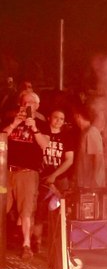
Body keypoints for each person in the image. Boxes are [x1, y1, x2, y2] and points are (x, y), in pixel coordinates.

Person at [6, 91, 49, 258]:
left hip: (28, 172)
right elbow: (2, 138)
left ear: (37, 106)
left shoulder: (42, 123)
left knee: (26, 210)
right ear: (20, 104)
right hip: (7, 171)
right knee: (2, 207)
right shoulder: (11, 118)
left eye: (32, 103)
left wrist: (34, 128)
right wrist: (14, 124)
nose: (28, 105)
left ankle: (26, 245)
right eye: (25, 102)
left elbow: (45, 145)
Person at [75, 111, 106, 189]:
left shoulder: (91, 132)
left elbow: (97, 157)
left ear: (78, 116)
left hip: (91, 184)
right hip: (85, 183)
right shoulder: (85, 132)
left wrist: (94, 180)